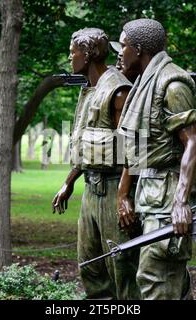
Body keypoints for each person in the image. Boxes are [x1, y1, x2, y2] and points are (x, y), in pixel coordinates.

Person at [116, 19, 196, 300]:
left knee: (156, 279)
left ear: (139, 49)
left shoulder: (172, 83)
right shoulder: (142, 83)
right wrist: (124, 193)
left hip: (166, 200)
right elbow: (137, 145)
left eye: (124, 45)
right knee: (167, 281)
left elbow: (192, 142)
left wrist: (180, 202)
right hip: (149, 195)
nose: (119, 52)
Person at [52, 28, 140, 300]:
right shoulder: (88, 90)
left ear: (88, 54)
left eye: (73, 52)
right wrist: (68, 183)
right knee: (90, 265)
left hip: (113, 189)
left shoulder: (118, 91)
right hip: (90, 190)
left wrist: (124, 196)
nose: (70, 57)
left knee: (121, 267)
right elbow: (88, 148)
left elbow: (134, 150)